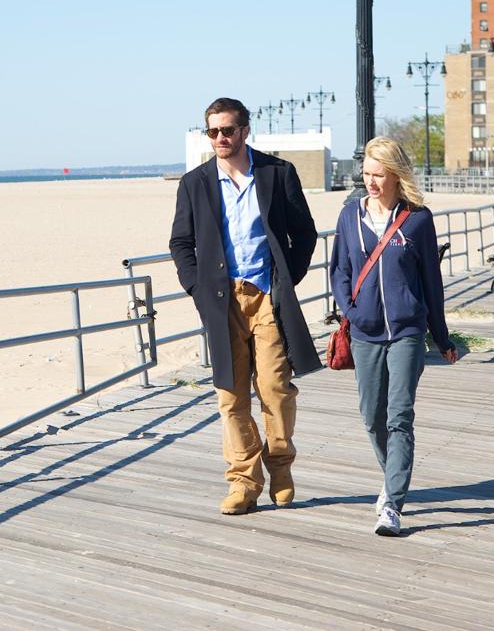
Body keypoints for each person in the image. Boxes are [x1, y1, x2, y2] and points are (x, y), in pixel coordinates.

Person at [169, 97, 322, 515]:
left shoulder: (277, 172)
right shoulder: (195, 183)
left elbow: (304, 233)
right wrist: (196, 287)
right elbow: (181, 242)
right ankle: (243, 482)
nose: (220, 138)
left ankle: (281, 467)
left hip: (267, 296)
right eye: (213, 131)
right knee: (230, 394)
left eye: (227, 130)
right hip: (221, 300)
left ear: (244, 131)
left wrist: (286, 280)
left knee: (275, 387)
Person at [330, 136, 457, 537]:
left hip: (407, 331)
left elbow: (431, 283)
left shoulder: (418, 219)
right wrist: (352, 311)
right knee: (372, 418)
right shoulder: (350, 216)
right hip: (364, 331)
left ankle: (392, 504)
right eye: (366, 173)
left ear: (396, 175)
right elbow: (339, 271)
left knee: (399, 415)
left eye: (378, 174)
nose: (370, 182)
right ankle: (392, 478)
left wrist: (442, 337)